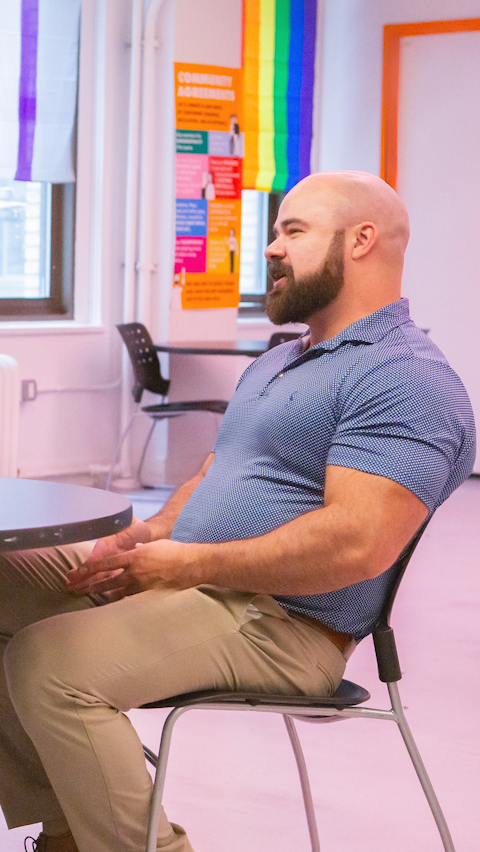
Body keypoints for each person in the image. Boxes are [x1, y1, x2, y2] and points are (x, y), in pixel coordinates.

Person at [0, 171, 475, 852]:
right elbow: (216, 471)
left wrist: (188, 565)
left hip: (285, 625)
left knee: (49, 663)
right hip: (202, 587)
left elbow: (357, 544)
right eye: (275, 231)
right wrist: (149, 535)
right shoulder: (283, 360)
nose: (271, 248)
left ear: (362, 241)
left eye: (294, 231)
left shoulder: (405, 376)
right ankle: (71, 834)